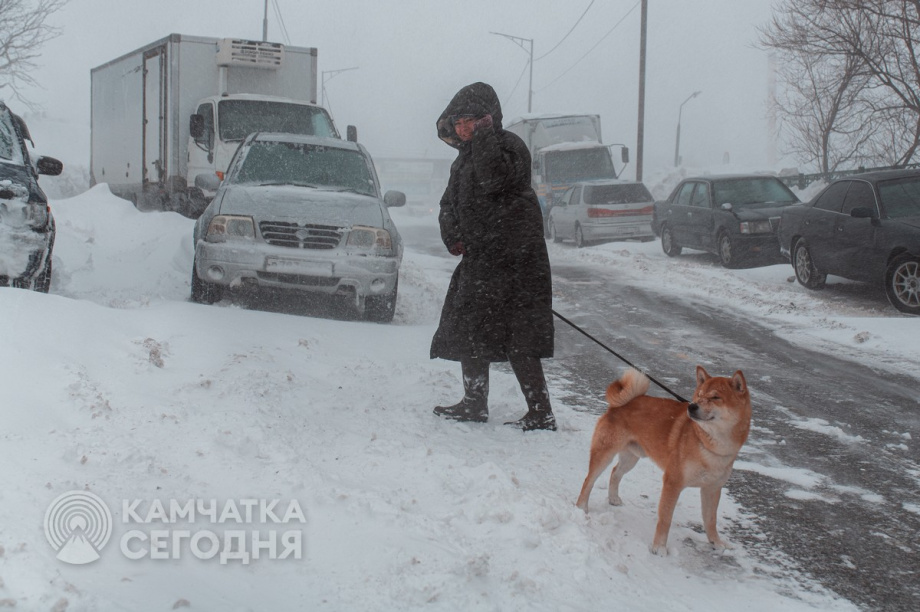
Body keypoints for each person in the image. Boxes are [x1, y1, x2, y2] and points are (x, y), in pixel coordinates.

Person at [430, 82, 556, 432]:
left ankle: (540, 411)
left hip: (517, 264)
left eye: (470, 121)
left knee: (521, 338)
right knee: (470, 331)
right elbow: (447, 204)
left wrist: (485, 137)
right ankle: (474, 403)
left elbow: (494, 180)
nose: (462, 128)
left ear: (487, 119)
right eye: (457, 122)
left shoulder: (509, 146)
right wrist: (452, 234)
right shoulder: (462, 161)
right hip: (480, 263)